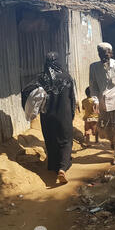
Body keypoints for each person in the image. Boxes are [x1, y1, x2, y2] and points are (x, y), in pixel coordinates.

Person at [89, 42, 115, 165]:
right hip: (103, 102)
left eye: (106, 54)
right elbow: (93, 85)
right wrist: (95, 100)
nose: (104, 56)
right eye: (101, 54)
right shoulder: (94, 67)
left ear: (111, 53)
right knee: (104, 127)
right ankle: (113, 141)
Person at [39, 52, 75, 184]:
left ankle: (53, 166)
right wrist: (72, 113)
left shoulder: (42, 78)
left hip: (47, 115)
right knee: (66, 140)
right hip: (63, 114)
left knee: (51, 139)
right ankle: (62, 168)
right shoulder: (66, 77)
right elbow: (72, 97)